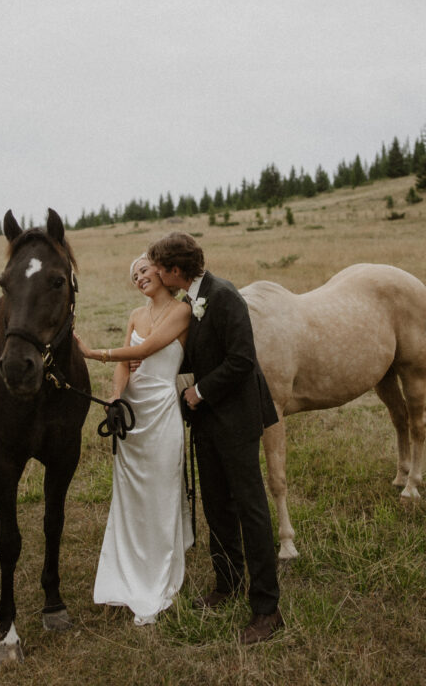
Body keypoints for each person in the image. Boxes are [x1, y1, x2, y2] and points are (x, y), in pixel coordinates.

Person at [146, 231, 283, 645]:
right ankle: (227, 583)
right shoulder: (189, 300)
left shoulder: (224, 296)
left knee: (251, 509)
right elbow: (194, 352)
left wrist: (199, 391)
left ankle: (267, 609)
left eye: (159, 267)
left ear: (175, 270)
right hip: (206, 423)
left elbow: (242, 359)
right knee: (215, 506)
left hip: (237, 421)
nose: (155, 273)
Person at [74, 254, 194, 625]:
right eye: (133, 276)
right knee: (129, 496)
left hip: (161, 409)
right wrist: (116, 397)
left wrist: (94, 353)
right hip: (133, 412)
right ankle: (122, 576)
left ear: (160, 271)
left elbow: (143, 351)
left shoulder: (182, 311)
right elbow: (128, 364)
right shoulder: (134, 316)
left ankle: (156, 578)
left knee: (160, 491)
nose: (138, 277)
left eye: (143, 270)